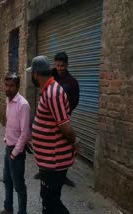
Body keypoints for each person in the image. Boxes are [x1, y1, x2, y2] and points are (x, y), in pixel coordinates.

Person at [29, 56, 77, 214]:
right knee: (48, 199)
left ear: (35, 74)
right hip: (48, 160)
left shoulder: (53, 93)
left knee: (51, 202)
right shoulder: (49, 91)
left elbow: (65, 126)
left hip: (54, 160)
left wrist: (74, 143)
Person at [0, 73, 31, 214]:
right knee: (7, 181)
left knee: (19, 186)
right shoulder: (8, 100)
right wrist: (6, 138)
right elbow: (10, 124)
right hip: (8, 148)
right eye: (6, 85)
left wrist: (15, 153)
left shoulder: (23, 105)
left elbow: (25, 133)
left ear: (18, 87)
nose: (8, 88)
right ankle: (8, 208)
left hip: (16, 152)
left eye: (11, 86)